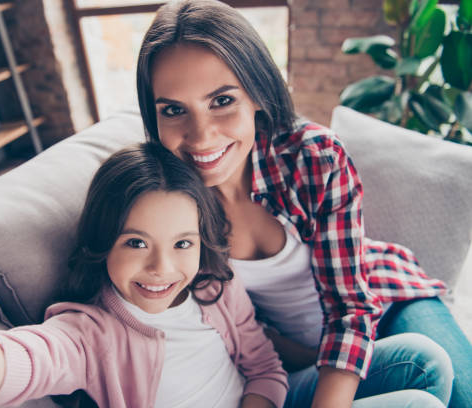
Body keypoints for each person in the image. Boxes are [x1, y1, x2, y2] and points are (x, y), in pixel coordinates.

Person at [136, 1, 471, 407]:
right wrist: (322, 364)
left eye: (222, 101)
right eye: (173, 110)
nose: (201, 136)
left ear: (257, 94)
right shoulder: (160, 203)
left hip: (384, 302)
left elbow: (350, 308)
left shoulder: (313, 157)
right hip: (300, 356)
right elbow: (244, 333)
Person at [0, 143, 289, 408]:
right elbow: (12, 363)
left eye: (182, 244)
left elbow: (264, 366)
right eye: (136, 242)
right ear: (103, 242)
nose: (162, 268)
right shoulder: (89, 335)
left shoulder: (215, 286)